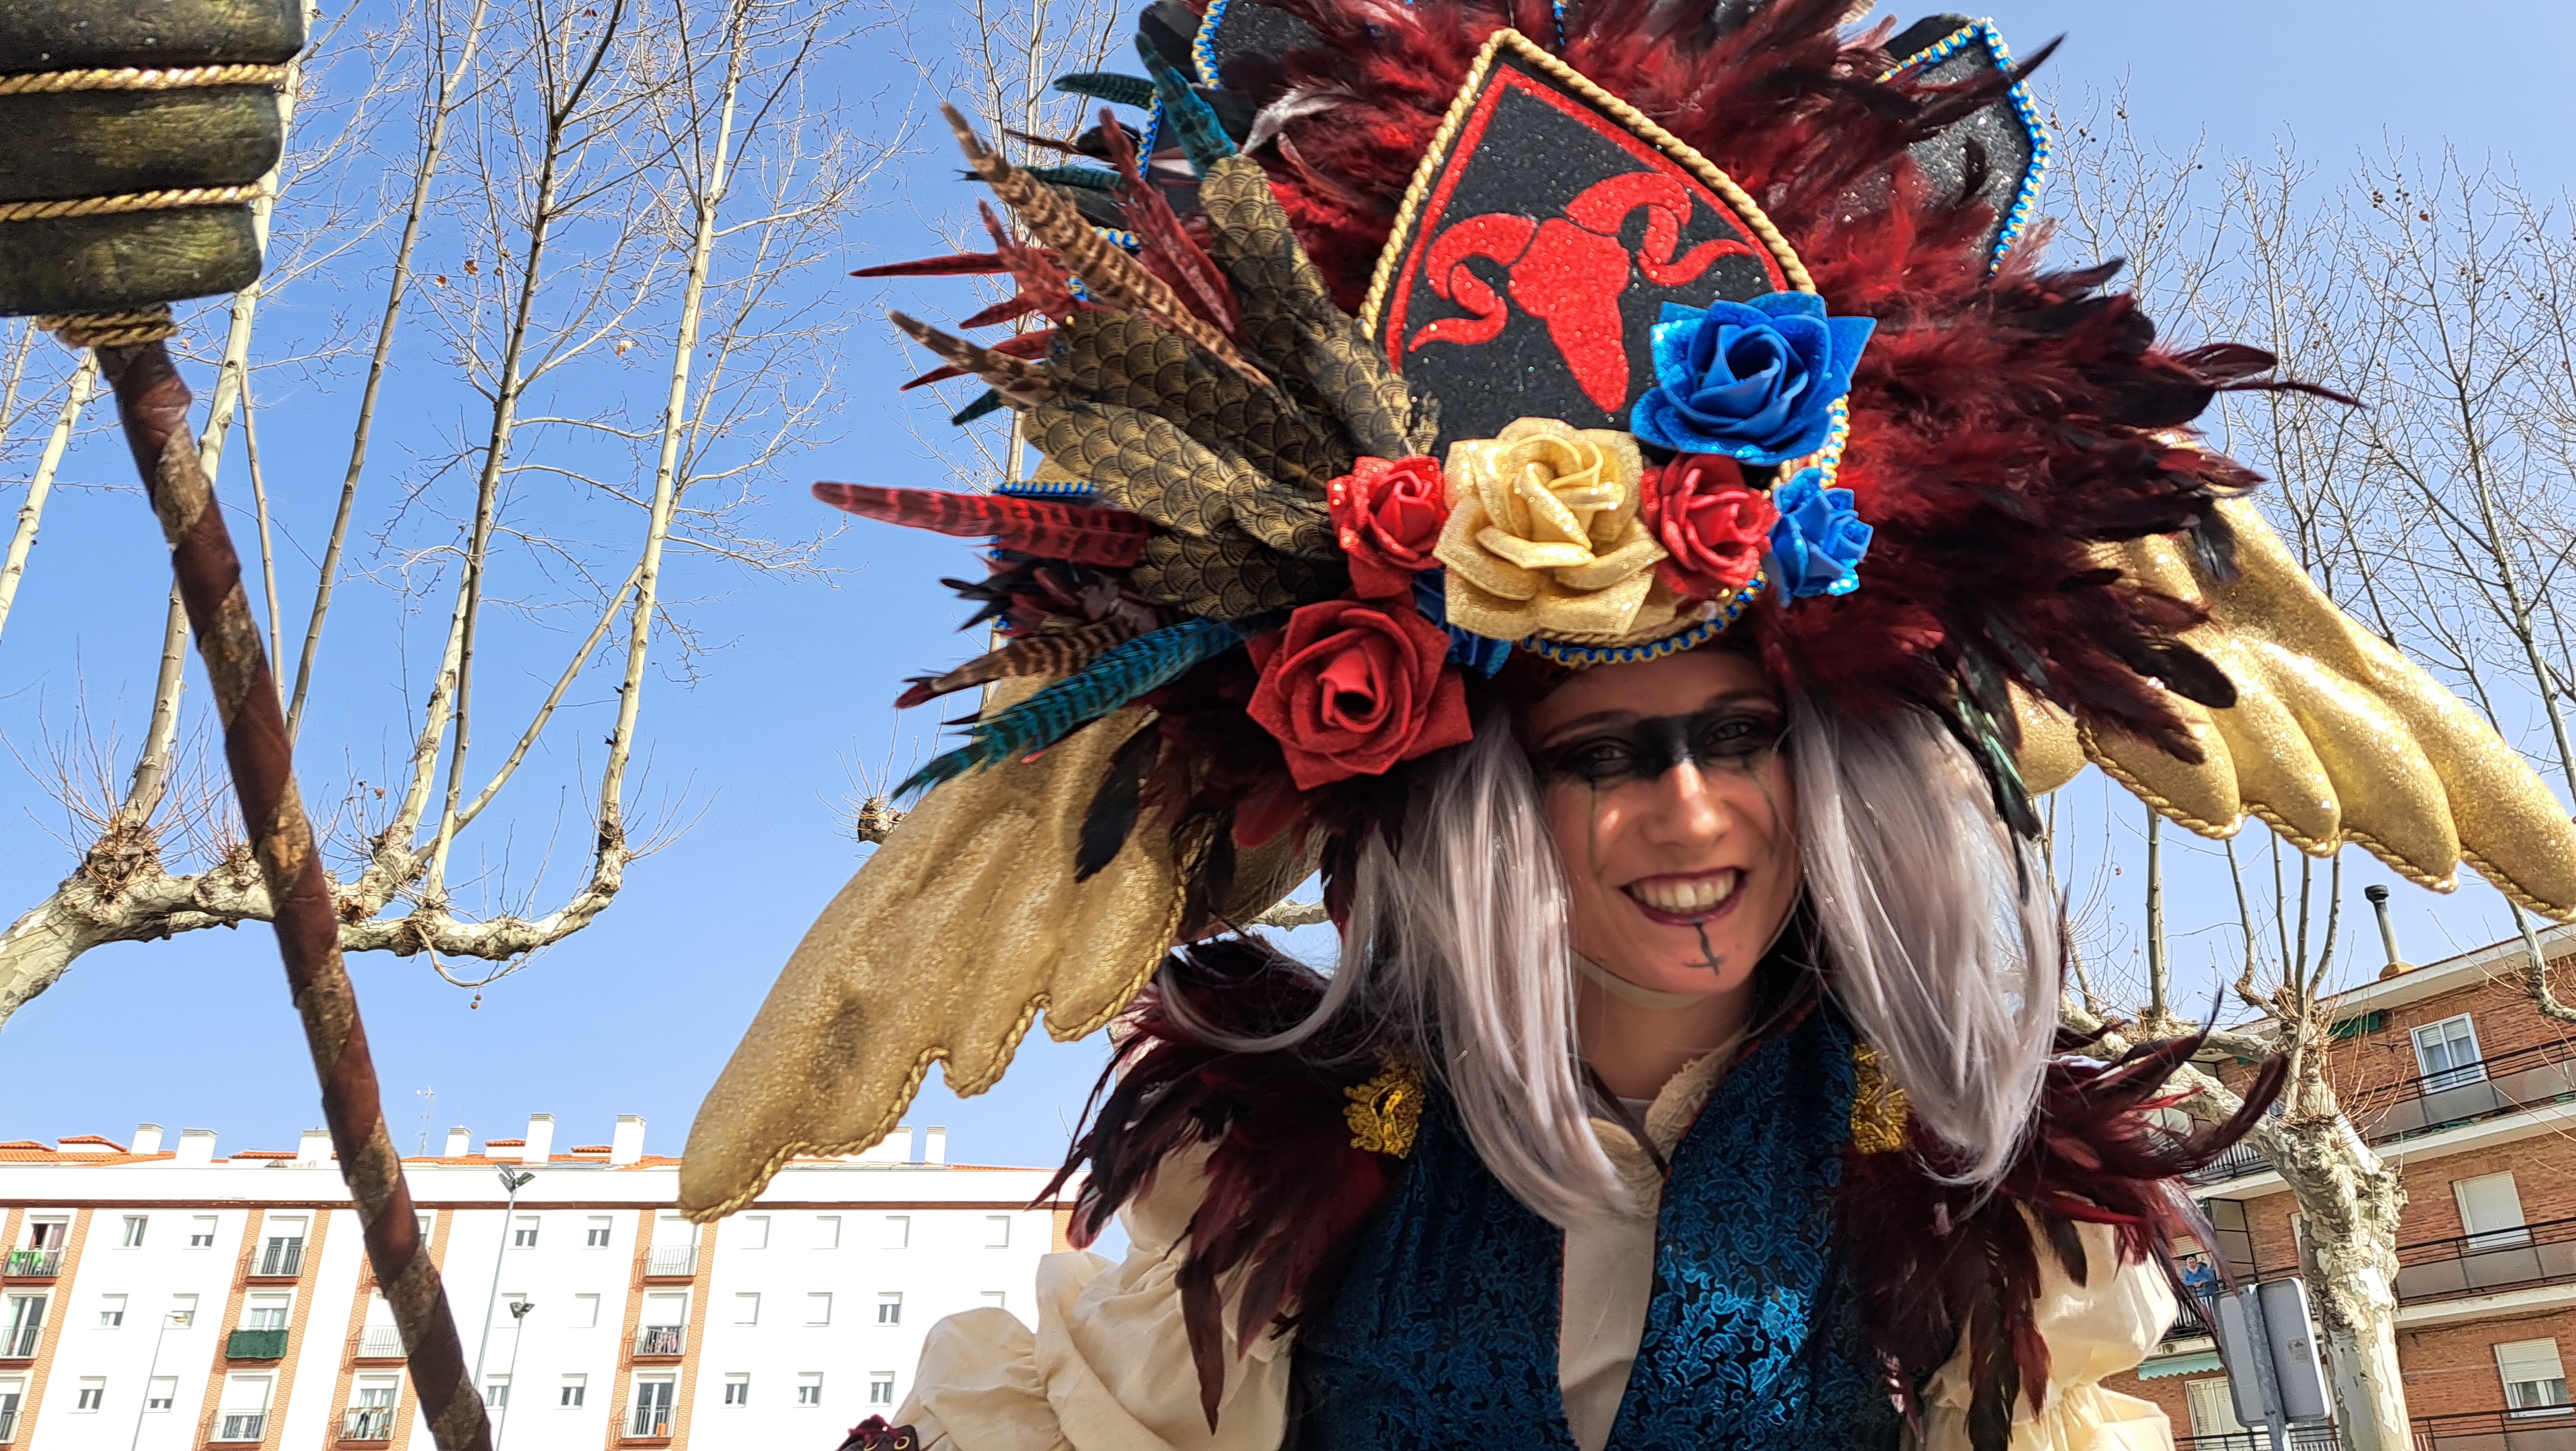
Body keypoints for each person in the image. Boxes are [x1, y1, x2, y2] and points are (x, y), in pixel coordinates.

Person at [665, 0, 2576, 1446]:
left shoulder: (1947, 1185)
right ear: (1488, 806)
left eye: (1736, 736)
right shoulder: (1280, 1178)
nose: (1690, 813)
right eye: (1603, 753)